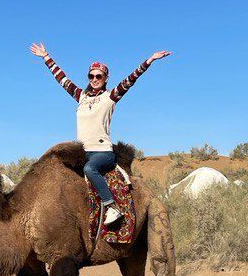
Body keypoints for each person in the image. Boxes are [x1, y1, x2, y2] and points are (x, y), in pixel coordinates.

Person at [30, 43, 171, 228]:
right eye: (91, 75)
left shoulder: (110, 97)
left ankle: (111, 206)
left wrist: (149, 61)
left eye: (99, 76)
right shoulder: (81, 96)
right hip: (82, 151)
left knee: (90, 170)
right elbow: (62, 79)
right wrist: (46, 57)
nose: (94, 79)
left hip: (102, 152)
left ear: (105, 78)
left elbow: (130, 80)